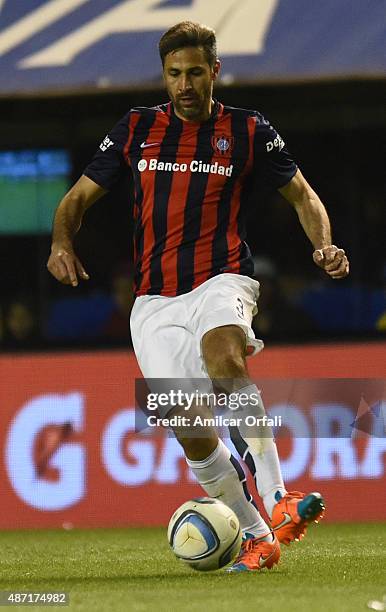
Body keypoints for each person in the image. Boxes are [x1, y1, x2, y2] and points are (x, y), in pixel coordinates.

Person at [47, 21, 349, 572]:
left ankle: (278, 496)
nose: (183, 85)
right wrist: (61, 242)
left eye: (194, 73)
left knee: (224, 356)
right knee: (189, 428)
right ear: (164, 76)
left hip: (222, 278)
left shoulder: (249, 130)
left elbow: (303, 196)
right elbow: (76, 199)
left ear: (215, 71)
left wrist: (324, 245)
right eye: (173, 74)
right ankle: (259, 537)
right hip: (154, 300)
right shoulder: (137, 127)